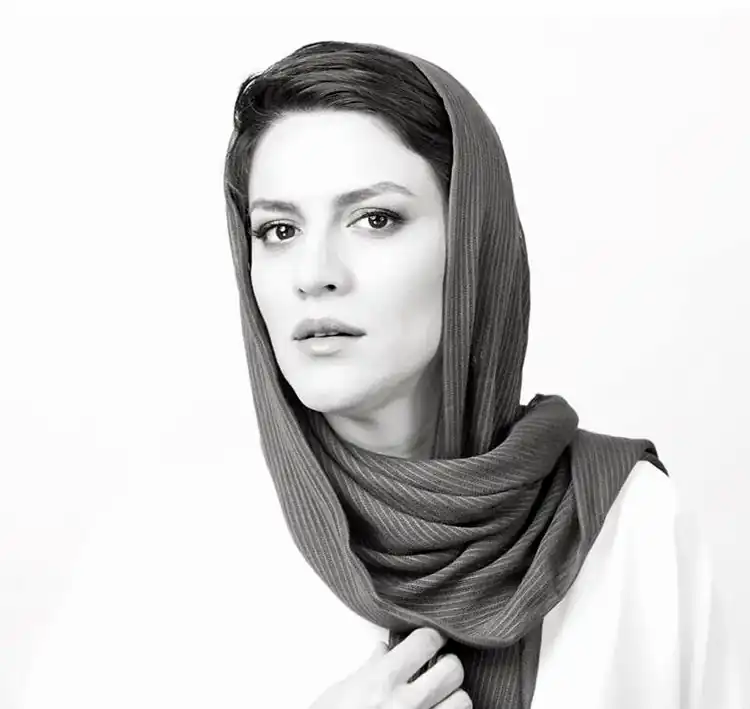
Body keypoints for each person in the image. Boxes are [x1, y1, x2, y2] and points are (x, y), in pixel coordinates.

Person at [222, 40, 745, 709]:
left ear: (473, 241)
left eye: (375, 219)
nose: (314, 273)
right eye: (278, 230)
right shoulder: (192, 546)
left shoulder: (629, 523)